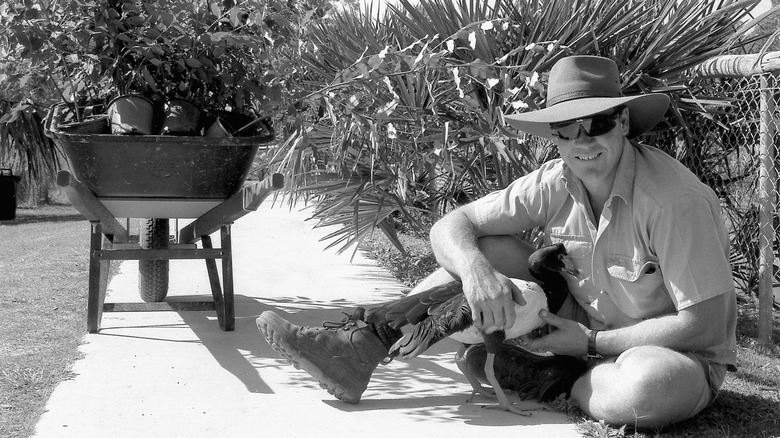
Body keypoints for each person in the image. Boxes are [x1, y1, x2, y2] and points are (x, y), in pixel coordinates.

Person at [257, 55, 737, 429]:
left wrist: (591, 342)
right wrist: (475, 271)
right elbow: (452, 224)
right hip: (576, 322)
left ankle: (551, 377)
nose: (583, 141)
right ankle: (361, 344)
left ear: (625, 123)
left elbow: (705, 324)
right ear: (554, 136)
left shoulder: (675, 201)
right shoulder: (555, 179)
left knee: (644, 393)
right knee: (481, 250)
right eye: (566, 129)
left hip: (663, 350)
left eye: (598, 123)